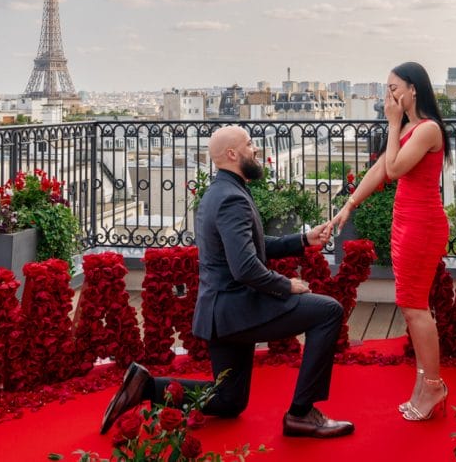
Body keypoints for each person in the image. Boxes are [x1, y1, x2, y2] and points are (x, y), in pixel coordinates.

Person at [99, 125, 355, 438]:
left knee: (229, 401)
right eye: (250, 144)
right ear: (232, 154)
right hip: (239, 310)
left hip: (221, 314)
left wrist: (302, 240)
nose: (256, 149)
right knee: (328, 311)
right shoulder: (232, 198)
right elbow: (245, 267)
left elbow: (250, 247)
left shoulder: (220, 192)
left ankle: (147, 386)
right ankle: (301, 414)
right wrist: (287, 285)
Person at [327, 61, 451, 421]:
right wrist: (349, 205)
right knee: (410, 304)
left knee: (415, 306)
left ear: (414, 89)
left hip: (422, 224)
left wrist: (393, 124)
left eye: (394, 88)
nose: (389, 96)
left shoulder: (426, 129)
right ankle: (424, 382)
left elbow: (395, 171)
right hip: (405, 222)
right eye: (387, 89)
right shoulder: (411, 128)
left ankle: (433, 386)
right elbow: (381, 167)